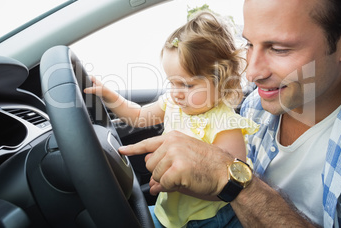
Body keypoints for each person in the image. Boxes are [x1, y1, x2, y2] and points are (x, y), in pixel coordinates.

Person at [119, 0, 341, 227]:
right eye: (249, 44)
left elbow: (232, 182)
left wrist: (230, 179)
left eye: (278, 48)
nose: (252, 73)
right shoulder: (257, 103)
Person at [85, 11, 259, 227]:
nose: (176, 92)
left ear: (222, 81)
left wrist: (177, 183)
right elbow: (139, 116)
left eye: (187, 85)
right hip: (170, 210)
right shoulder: (174, 104)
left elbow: (228, 189)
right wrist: (109, 96)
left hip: (209, 219)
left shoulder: (227, 125)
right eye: (172, 82)